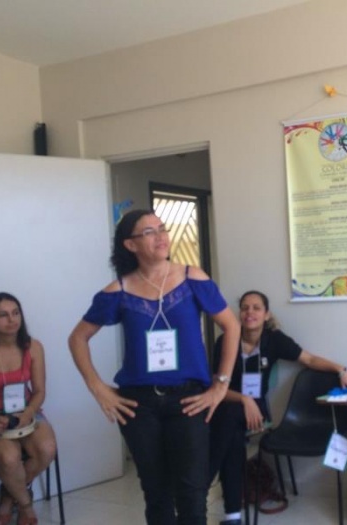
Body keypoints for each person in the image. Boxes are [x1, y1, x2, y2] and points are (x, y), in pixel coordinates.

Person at [68, 209, 240, 525]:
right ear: (130, 244)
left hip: (189, 399)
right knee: (156, 493)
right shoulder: (118, 291)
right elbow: (77, 338)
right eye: (149, 232)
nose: (161, 236)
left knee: (192, 493)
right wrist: (98, 388)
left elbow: (231, 326)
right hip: (138, 404)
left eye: (162, 228)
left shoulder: (193, 278)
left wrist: (221, 385)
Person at [208, 290, 347, 525]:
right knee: (232, 435)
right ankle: (233, 517)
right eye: (245, 308)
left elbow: (309, 360)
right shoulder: (226, 340)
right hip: (229, 402)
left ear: (266, 314)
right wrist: (243, 399)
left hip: (256, 410)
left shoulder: (274, 340)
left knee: (227, 427)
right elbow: (216, 386)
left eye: (256, 308)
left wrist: (341, 369)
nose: (249, 312)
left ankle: (203, 481)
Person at [0, 292, 57, 525]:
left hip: (26, 410)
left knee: (47, 449)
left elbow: (39, 391)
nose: (12, 320)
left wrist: (28, 413)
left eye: (16, 313)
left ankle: (9, 495)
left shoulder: (33, 347)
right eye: (3, 315)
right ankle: (26, 507)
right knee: (10, 458)